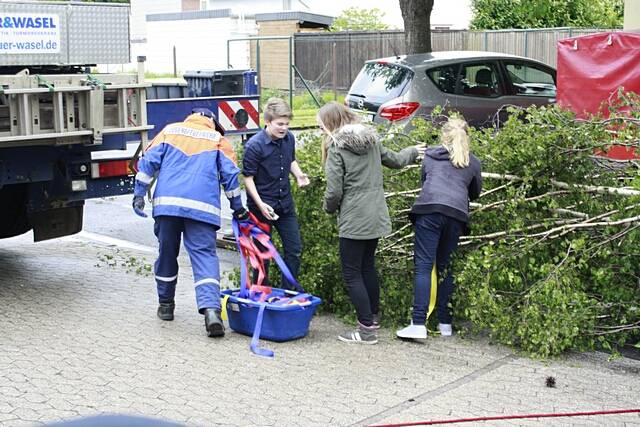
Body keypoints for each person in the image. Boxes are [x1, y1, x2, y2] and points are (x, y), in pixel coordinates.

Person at [132, 107, 249, 338]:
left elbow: (147, 164)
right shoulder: (218, 139)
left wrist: (138, 194)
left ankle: (166, 306)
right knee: (204, 256)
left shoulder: (169, 131)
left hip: (168, 207)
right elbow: (231, 179)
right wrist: (239, 209)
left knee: (167, 253)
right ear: (212, 122)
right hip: (202, 210)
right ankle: (212, 312)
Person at [318, 101, 425, 345]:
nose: (321, 131)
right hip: (376, 214)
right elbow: (396, 160)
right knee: (367, 267)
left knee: (352, 273)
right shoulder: (371, 141)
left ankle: (366, 330)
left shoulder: (337, 148)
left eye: (322, 126)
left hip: (354, 218)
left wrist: (328, 209)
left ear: (331, 124)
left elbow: (334, 191)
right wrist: (413, 151)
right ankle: (373, 319)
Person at [396, 118, 482, 340]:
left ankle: (418, 323)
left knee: (424, 266)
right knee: (445, 268)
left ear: (443, 136)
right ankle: (445, 324)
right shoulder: (472, 162)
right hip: (456, 216)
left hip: (429, 211)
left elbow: (424, 182)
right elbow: (475, 193)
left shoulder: (430, 156)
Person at [242, 97, 310, 288]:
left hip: (285, 204)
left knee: (294, 249)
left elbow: (290, 160)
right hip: (261, 207)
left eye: (287, 124)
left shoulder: (289, 139)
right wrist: (260, 204)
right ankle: (260, 292)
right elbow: (248, 178)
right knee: (263, 254)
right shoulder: (254, 146)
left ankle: (287, 292)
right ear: (267, 122)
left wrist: (298, 175)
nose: (284, 128)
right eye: (280, 124)